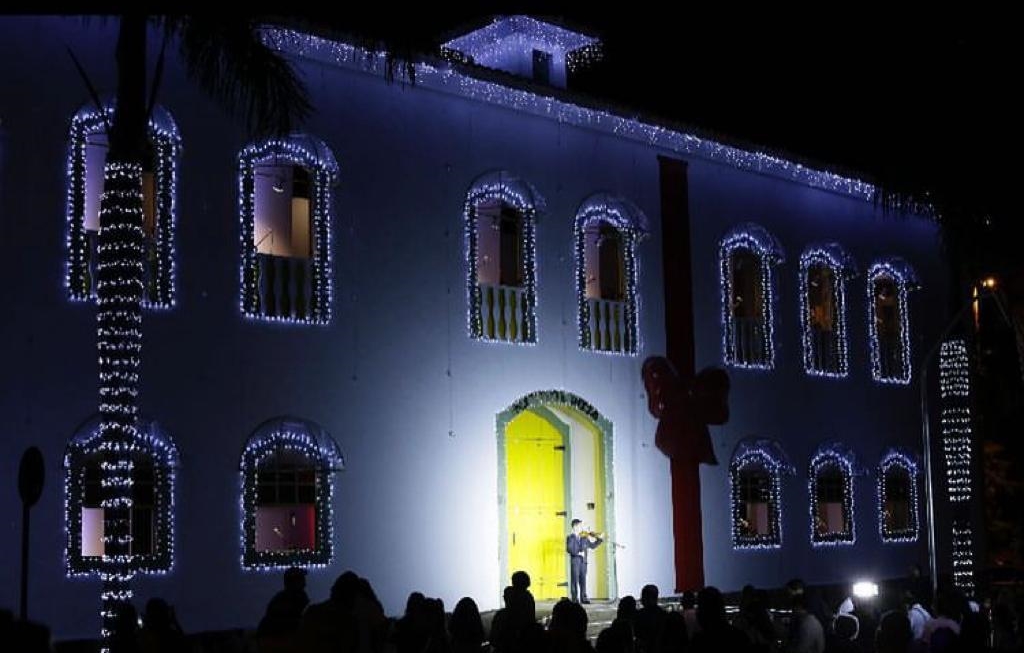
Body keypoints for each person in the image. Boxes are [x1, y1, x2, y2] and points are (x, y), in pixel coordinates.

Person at [566, 519, 603, 604]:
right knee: (574, 580)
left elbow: (592, 546)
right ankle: (575, 599)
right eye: (580, 526)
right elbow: (569, 549)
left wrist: (599, 540)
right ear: (575, 527)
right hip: (575, 561)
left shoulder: (584, 537)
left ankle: (583, 598)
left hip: (583, 562)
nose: (582, 527)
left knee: (583, 580)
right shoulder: (570, 537)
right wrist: (579, 552)